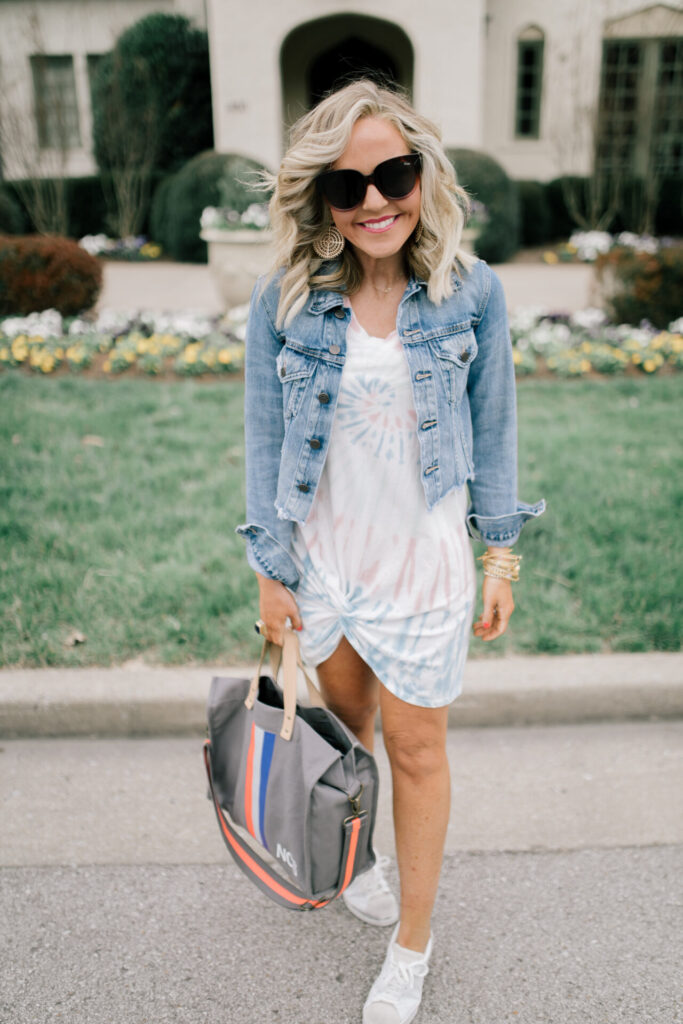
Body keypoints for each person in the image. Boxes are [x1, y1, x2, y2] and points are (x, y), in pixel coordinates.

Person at [237, 78, 545, 1024]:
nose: (374, 201)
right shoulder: (285, 301)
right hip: (325, 562)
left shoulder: (471, 292)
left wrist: (499, 556)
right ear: (320, 200)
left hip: (421, 567)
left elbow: (493, 431)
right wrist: (270, 570)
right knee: (349, 724)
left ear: (423, 175)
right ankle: (367, 859)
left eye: (393, 174)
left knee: (416, 749)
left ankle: (410, 947)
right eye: (347, 185)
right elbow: (260, 436)